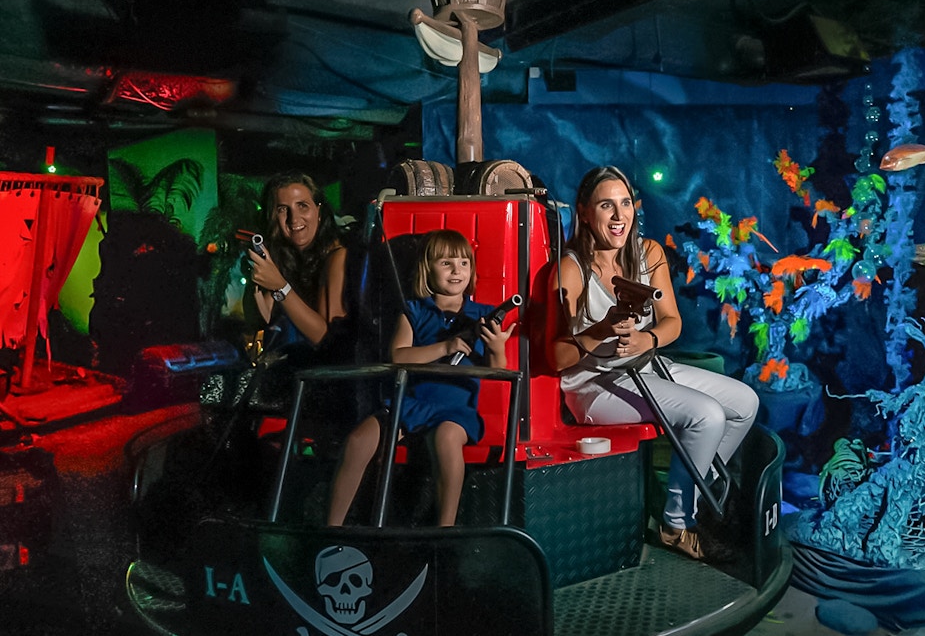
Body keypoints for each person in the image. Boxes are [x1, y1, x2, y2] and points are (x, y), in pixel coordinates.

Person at [548, 165, 759, 563]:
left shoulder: (649, 253)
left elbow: (672, 322)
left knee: (745, 403)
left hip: (646, 364)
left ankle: (694, 494)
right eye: (606, 205)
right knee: (706, 416)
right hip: (594, 384)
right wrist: (602, 330)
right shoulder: (571, 268)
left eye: (625, 203)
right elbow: (558, 358)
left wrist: (648, 338)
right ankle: (676, 525)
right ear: (584, 212)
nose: (619, 215)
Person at [327, 229, 514, 527]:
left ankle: (445, 529)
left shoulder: (482, 315)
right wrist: (446, 347)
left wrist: (496, 347)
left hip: (454, 410)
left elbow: (497, 370)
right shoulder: (413, 311)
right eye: (446, 263)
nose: (457, 270)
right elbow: (399, 356)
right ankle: (332, 528)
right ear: (428, 269)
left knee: (447, 439)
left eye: (464, 263)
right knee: (358, 441)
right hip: (408, 404)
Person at [246, 172, 348, 347]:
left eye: (302, 206)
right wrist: (257, 281)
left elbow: (327, 339)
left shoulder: (337, 257)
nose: (294, 218)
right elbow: (261, 320)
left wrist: (280, 287)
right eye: (283, 209)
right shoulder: (287, 258)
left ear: (319, 211)